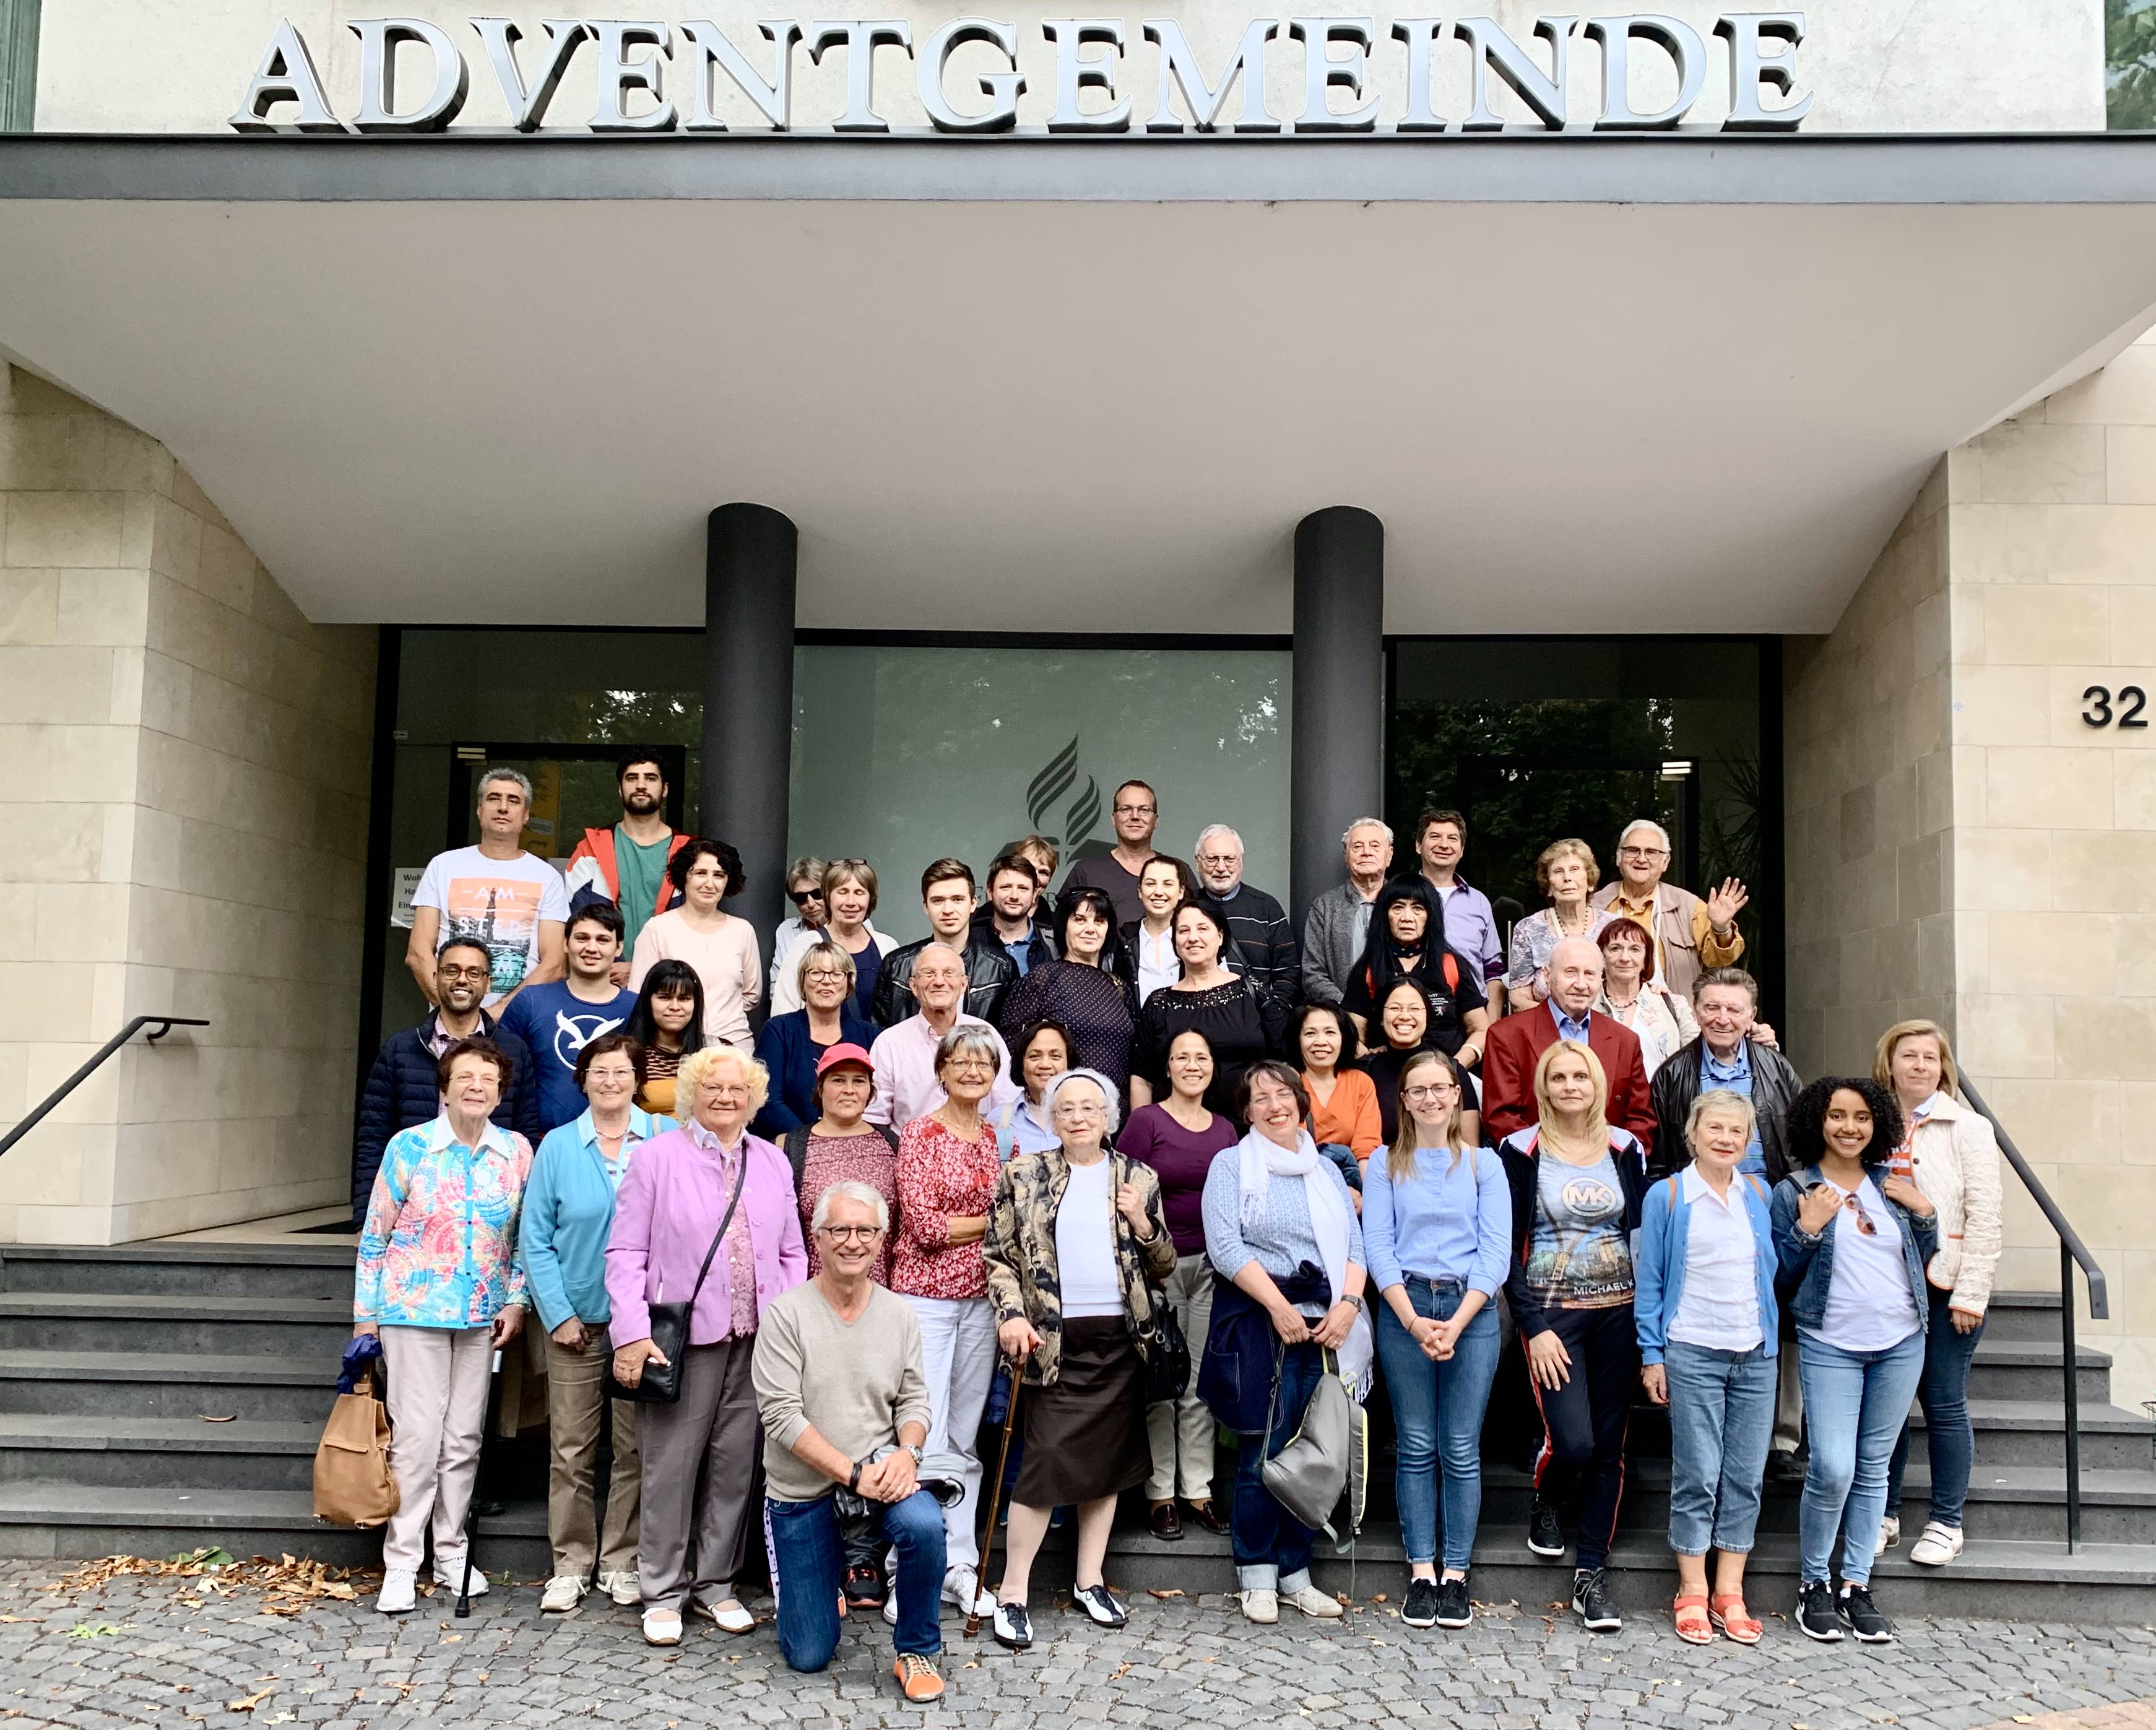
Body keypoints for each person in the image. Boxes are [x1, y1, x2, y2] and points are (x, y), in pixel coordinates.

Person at [606, 1044, 808, 1646]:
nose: (726, 1096)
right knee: (670, 1466)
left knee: (735, 1466)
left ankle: (715, 1583)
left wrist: (787, 1318)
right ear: (694, 1093)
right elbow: (624, 1254)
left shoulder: (772, 1161)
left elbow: (794, 1250)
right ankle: (662, 1589)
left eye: (737, 1088)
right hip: (681, 1340)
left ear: (753, 1097)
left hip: (757, 1340)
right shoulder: (656, 1158)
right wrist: (632, 1332)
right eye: (714, 1087)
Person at [983, 1069, 1178, 1646]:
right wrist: (1011, 1315)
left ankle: (1088, 1580)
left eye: (1089, 1107)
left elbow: (1163, 1262)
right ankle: (1012, 1590)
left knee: (1107, 1466)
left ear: (1107, 1115)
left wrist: (1142, 1220)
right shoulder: (1022, 1174)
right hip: (1051, 1342)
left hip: (1121, 1339)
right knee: (1042, 1467)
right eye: (1065, 1108)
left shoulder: (1136, 1175)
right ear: (1050, 1115)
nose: (1077, 1117)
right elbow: (997, 1256)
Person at [353, 1037, 531, 1615]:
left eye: (488, 1079)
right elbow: (375, 1234)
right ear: (445, 1086)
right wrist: (366, 1318)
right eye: (465, 1077)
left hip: (482, 1316)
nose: (476, 1087)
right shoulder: (410, 1147)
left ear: (501, 1092)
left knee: (463, 1439)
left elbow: (524, 1239)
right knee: (417, 1437)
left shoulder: (516, 1152)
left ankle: (452, 1551)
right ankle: (402, 1561)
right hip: (412, 1311)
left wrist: (516, 1300)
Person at [753, 1181, 947, 1703]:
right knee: (809, 1653)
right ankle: (826, 1584)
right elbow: (780, 1416)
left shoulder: (898, 1313)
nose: (852, 1241)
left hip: (879, 1475)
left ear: (882, 1238)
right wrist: (853, 1474)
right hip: (805, 1491)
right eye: (839, 1229)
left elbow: (913, 1401)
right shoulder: (785, 1314)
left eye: (865, 1230)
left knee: (926, 1524)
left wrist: (908, 1454)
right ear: (817, 1237)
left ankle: (917, 1649)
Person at [1199, 1062, 1365, 1625]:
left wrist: (1347, 1305)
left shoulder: (1323, 1169)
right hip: (1257, 1321)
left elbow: (1355, 1249)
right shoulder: (1230, 1164)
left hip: (1323, 1329)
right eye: (1259, 1097)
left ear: (1300, 1100)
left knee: (1315, 1455)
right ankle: (1257, 1572)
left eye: (1283, 1094)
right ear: (1245, 1111)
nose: (1274, 1105)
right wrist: (1277, 1305)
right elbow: (1224, 1244)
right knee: (1261, 1452)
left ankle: (1297, 1572)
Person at [1772, 1077, 1936, 1645]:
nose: (1849, 1126)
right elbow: (1777, 1277)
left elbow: (1923, 1258)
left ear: (1877, 1124)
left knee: (1873, 1468)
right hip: (1830, 1341)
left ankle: (1854, 1585)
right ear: (1817, 1120)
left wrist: (1926, 1212)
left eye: (1862, 1116)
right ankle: (1812, 1584)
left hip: (1900, 1339)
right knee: (1833, 1466)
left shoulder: (1890, 1184)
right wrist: (1806, 1229)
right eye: (1837, 1115)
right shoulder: (1794, 1187)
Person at [1500, 1040, 1648, 1632]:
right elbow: (1506, 1245)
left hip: (1619, 1315)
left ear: (1597, 1085)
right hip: (1552, 1315)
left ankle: (1591, 1574)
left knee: (1610, 1448)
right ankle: (1547, 1496)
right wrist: (1532, 1326)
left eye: (1579, 1076)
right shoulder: (1518, 1148)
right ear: (1543, 1085)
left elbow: (1639, 1233)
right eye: (1557, 1076)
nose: (1569, 1086)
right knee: (1576, 1443)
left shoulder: (1625, 1146)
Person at [519, 1032, 666, 1614]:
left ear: (638, 1079)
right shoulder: (557, 1146)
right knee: (572, 1449)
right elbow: (534, 1240)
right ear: (583, 1079)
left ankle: (621, 1560)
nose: (611, 1081)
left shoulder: (663, 1138)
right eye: (600, 1071)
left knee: (636, 1450)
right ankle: (572, 1563)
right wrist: (557, 1314)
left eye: (622, 1071)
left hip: (644, 1326)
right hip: (577, 1324)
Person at [1364, 1049, 1509, 1632]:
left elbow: (1495, 1250)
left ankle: (1456, 1574)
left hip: (1469, 1310)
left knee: (1460, 1445)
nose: (1429, 1098)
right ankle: (1421, 1571)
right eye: (1417, 1089)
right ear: (1404, 1099)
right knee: (1417, 1443)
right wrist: (1413, 1319)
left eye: (1440, 1088)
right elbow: (1379, 1245)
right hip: (1405, 1308)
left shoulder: (1483, 1165)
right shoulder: (1382, 1163)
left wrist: (1457, 1318)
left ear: (1456, 1095)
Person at [1635, 1091, 1778, 1647]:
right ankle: (1690, 1588)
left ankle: (1730, 1591)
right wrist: (1651, 1353)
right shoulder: (1667, 1195)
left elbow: (1772, 1270)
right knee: (1697, 1472)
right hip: (1691, 1348)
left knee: (1744, 1475)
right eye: (1713, 1128)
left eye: (1736, 1131)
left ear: (1747, 1141)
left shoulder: (1759, 1193)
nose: (1724, 1138)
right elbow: (1649, 1279)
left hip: (1754, 1351)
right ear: (1693, 1134)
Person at [889, 1026, 1010, 1622]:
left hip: (981, 1299)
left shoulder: (994, 1138)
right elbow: (924, 1227)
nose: (970, 1071)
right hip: (925, 1298)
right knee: (922, 1429)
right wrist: (987, 1222)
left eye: (981, 1063)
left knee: (964, 1432)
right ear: (940, 1070)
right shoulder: (919, 1133)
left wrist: (975, 1222)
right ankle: (910, 1563)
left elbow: (992, 1221)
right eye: (959, 1061)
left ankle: (958, 1562)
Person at [1876, 1019, 2004, 1570]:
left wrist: (1971, 1293)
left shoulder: (1967, 1127)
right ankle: (1882, 1513)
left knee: (1943, 1403)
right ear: (1890, 1063)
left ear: (1943, 1066)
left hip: (1945, 1282)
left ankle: (1946, 1521)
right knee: (1887, 1405)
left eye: (1930, 1057)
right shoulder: (1871, 1119)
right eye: (1909, 1056)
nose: (1920, 1065)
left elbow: (1985, 1215)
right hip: (1882, 1284)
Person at [1119, 1029, 1240, 1540]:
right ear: (1166, 1068)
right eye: (1181, 1057)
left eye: (1201, 1056)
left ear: (1213, 1066)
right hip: (1157, 1267)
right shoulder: (1146, 1121)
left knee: (1197, 1385)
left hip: (1211, 1267)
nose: (1192, 1064)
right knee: (1161, 1384)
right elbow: (1121, 1190)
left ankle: (1198, 1488)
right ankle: (1159, 1494)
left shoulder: (1226, 1130)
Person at [352, 935, 540, 1222]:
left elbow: (526, 1137)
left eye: (474, 973)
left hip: (490, 1216)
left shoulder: (513, 1051)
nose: (462, 980)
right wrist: (365, 1218)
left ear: (488, 983)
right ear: (436, 977)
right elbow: (373, 1139)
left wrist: (528, 1222)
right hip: (414, 1215)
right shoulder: (400, 1049)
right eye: (452, 971)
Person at [406, 766, 568, 1015]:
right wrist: (455, 1014)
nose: (503, 807)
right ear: (479, 810)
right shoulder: (444, 866)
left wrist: (495, 1016)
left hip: (518, 1025)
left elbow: (555, 964)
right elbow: (418, 953)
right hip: (449, 1024)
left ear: (525, 815)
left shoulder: (547, 877)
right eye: (494, 798)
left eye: (513, 801)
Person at [1481, 937, 1656, 1158]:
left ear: (1601, 980)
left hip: (1609, 1170)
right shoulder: (1507, 1036)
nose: (1581, 984)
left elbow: (1640, 1120)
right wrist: (1555, 1162)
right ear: (1548, 976)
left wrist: (1611, 1163)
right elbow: (1502, 1117)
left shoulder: (1625, 1040)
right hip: (1536, 1170)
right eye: (1571, 972)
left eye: (1590, 974)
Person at [1131, 899, 1285, 1115]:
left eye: (1203, 928)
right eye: (1184, 930)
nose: (1193, 938)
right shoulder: (1159, 1004)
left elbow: (1283, 1062)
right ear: (1175, 941)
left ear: (1220, 937)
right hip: (1175, 1134)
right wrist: (1144, 1130)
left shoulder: (1252, 992)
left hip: (1249, 1128)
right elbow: (1142, 1079)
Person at [498, 902, 639, 1134]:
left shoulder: (638, 1007)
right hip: (542, 1140)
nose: (591, 948)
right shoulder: (532, 1001)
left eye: (603, 940)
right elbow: (504, 1075)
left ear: (618, 947)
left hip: (621, 1142)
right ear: (565, 943)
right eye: (582, 938)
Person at [994, 889, 1140, 1101]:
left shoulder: (1118, 987)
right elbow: (1010, 1050)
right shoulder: (1043, 979)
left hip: (1113, 1118)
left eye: (1099, 921)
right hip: (1057, 1115)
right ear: (1064, 926)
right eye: (1080, 920)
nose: (1090, 929)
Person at [1590, 819, 1747, 1006]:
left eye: (1651, 852)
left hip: (1674, 1020)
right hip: (1607, 1017)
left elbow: (1720, 959)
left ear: (1665, 862)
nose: (1641, 858)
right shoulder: (1595, 906)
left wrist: (1721, 928)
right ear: (1619, 857)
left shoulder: (1689, 906)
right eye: (1632, 850)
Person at [1343, 880, 1490, 1078]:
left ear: (1430, 916)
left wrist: (1454, 1068)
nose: (1407, 918)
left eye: (1418, 908)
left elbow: (1480, 1029)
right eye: (1398, 908)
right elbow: (1353, 1036)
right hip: (1386, 1079)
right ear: (1384, 915)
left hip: (1449, 1077)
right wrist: (1372, 1062)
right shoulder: (1368, 969)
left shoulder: (1452, 965)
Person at [865, 945, 1019, 1129]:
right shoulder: (889, 1042)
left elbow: (1007, 1107)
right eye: (929, 973)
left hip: (977, 1149)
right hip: (908, 1152)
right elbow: (876, 1119)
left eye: (948, 973)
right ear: (913, 986)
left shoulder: (986, 1035)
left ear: (964, 984)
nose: (939, 981)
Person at [626, 837, 761, 1049]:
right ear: (684, 877)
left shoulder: (742, 930)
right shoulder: (658, 929)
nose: (710, 883)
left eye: (719, 875)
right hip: (673, 1049)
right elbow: (639, 994)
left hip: (733, 1047)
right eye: (700, 873)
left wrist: (720, 1016)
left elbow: (752, 994)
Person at [783, 1045, 901, 1287]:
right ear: (821, 1087)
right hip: (815, 1292)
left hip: (882, 1293)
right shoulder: (792, 1147)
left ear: (870, 1091)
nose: (849, 1090)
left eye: (859, 1081)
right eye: (838, 1080)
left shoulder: (892, 1144)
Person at [564, 749, 688, 974]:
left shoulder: (689, 853)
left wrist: (640, 969)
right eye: (632, 778)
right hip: (603, 979)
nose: (641, 785)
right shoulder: (589, 850)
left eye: (651, 778)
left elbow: (697, 927)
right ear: (620, 789)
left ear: (665, 789)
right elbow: (577, 923)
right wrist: (612, 967)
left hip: (668, 983)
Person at [871, 860, 1018, 1029]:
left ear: (973, 904)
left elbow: (1010, 1040)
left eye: (957, 899)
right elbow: (879, 1036)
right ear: (926, 906)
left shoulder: (1001, 968)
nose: (948, 909)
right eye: (938, 901)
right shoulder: (896, 965)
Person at [751, 942, 878, 1138]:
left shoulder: (869, 1035)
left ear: (848, 983)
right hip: (788, 1145)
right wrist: (812, 1141)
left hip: (854, 1144)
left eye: (837, 974)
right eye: (816, 973)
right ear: (803, 981)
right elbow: (768, 1100)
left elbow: (877, 1101)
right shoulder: (779, 1030)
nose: (826, 981)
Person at [773, 859, 899, 1019]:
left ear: (870, 899)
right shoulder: (806, 945)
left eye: (859, 893)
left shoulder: (887, 946)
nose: (851, 902)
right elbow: (784, 1011)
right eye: (842, 892)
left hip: (878, 1044)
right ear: (828, 898)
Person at [1193, 824, 1301, 1011]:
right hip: (1196, 1020)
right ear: (1197, 862)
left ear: (1241, 861)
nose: (1221, 867)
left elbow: (1288, 972)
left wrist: (1276, 1014)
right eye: (1212, 859)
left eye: (1229, 859)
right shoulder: (1186, 907)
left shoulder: (1267, 907)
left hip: (1256, 1024)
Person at [1505, 838, 1617, 1013]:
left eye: (1575, 870)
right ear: (1549, 886)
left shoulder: (1613, 927)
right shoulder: (1528, 929)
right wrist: (1562, 1021)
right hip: (1549, 1032)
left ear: (1590, 883)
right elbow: (1518, 998)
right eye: (1558, 871)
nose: (1567, 878)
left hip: (1606, 1030)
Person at [1362, 980, 1474, 1148]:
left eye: (1414, 1009)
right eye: (1395, 1008)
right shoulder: (1367, 1072)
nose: (1405, 1016)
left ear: (1428, 1016)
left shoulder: (1452, 1070)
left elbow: (1471, 1148)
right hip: (1386, 1169)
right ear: (1380, 1017)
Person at [1062, 779, 1185, 928]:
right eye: (1126, 809)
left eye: (1144, 810)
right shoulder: (1086, 871)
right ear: (1114, 819)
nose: (1135, 816)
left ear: (1156, 820)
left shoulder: (1177, 870)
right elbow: (1064, 929)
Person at [1302, 818, 1393, 1007]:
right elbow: (1312, 974)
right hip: (1341, 1017)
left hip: (1398, 1017)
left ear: (1389, 855)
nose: (1366, 852)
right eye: (1358, 847)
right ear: (1346, 856)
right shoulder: (1325, 907)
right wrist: (1348, 1006)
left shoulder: (1405, 904)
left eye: (1375, 846)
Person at [1593, 917, 1697, 1080]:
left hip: (1661, 1102)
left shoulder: (1673, 1005)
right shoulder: (1586, 1006)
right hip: (1600, 1103)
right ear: (1602, 957)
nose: (1625, 958)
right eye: (1615, 948)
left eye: (1635, 949)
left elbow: (1698, 1057)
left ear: (1645, 960)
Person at [1414, 809, 1504, 996]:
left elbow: (1493, 969)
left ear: (1462, 850)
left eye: (1453, 839)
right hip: (1412, 1012)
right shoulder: (1402, 897)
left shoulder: (1479, 902)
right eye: (1435, 836)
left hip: (1472, 1013)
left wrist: (1491, 1020)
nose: (1444, 845)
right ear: (1418, 845)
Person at [1297, 1002, 1381, 1164]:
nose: (1321, 1041)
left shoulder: (1360, 1083)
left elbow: (1366, 1149)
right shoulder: (1289, 1085)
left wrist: (1363, 1188)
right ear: (1298, 1040)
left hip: (1351, 1178)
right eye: (1310, 1033)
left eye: (1330, 1033)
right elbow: (1293, 1150)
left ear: (1344, 1038)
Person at [623, 958, 703, 1119]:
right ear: (648, 1001)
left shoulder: (713, 1053)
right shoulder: (626, 1056)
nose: (675, 1007)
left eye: (684, 999)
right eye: (665, 997)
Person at [1126, 855, 1197, 1005]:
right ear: (1140, 891)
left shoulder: (1198, 940)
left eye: (1168, 884)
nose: (1158, 892)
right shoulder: (1123, 940)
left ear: (1181, 891)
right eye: (1151, 884)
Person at [998, 1020, 1075, 1158]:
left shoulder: (1089, 1118)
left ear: (1069, 1064)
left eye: (1055, 1056)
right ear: (1021, 1065)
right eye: (1034, 1056)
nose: (1045, 1064)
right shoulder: (999, 1119)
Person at [972, 852, 1055, 979]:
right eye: (1006, 887)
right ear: (990, 892)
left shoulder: (1053, 946)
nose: (1014, 896)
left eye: (1023, 888)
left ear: (1034, 895)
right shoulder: (971, 941)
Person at [766, 855, 829, 1002]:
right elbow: (778, 984)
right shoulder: (787, 929)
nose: (811, 903)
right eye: (801, 898)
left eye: (817, 894)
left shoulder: (850, 925)